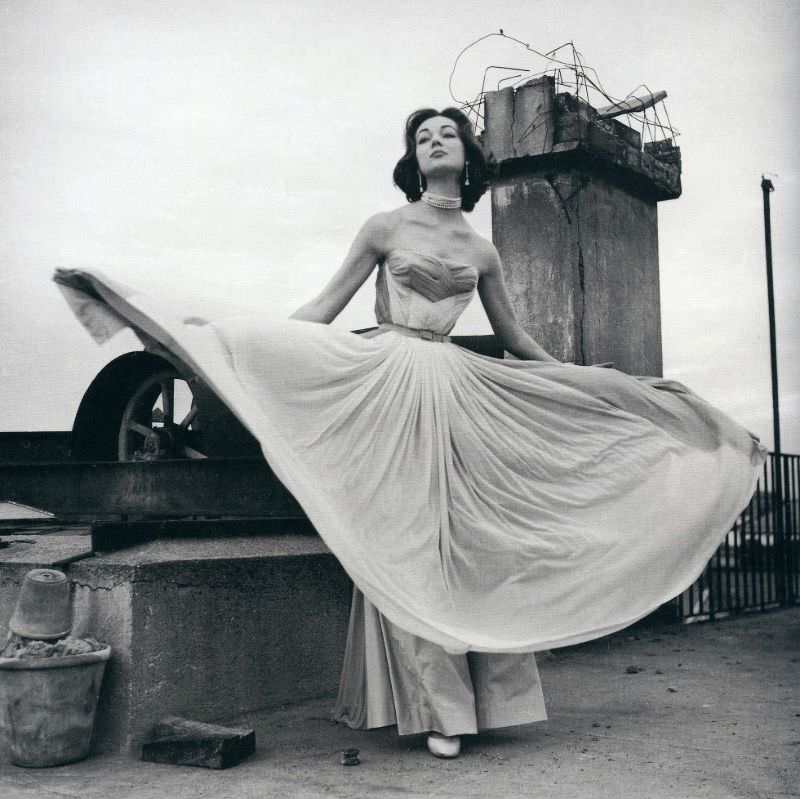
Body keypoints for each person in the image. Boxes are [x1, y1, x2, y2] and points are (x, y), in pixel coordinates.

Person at [54, 107, 765, 760]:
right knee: (404, 541)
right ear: (413, 160)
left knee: (462, 543)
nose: (432, 141)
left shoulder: (482, 252)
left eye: (445, 133)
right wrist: (240, 343)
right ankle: (440, 712)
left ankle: (483, 703)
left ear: (467, 154)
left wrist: (593, 381)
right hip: (386, 380)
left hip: (454, 392)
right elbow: (324, 307)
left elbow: (518, 341)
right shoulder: (384, 227)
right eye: (421, 137)